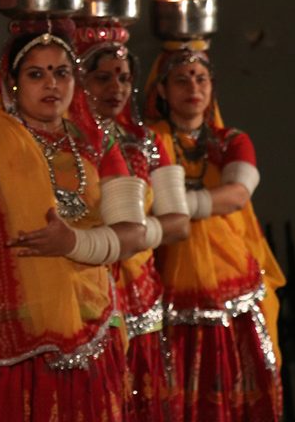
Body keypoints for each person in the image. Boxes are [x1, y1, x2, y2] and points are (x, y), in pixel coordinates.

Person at [0, 23, 148, 422]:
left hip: (93, 323)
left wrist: (72, 244)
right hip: (9, 328)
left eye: (61, 72)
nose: (51, 83)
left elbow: (133, 233)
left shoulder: (97, 142)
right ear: (12, 83)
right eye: (36, 74)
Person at [142, 44, 285, 421]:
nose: (193, 86)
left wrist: (173, 207)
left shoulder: (231, 141)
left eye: (201, 78)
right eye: (181, 78)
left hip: (232, 290)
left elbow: (237, 195)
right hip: (168, 292)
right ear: (161, 90)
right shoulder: (148, 142)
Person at [76, 24, 190, 421]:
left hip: (139, 298)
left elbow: (179, 224)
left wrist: (134, 235)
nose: (117, 88)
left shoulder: (147, 141)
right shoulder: (65, 141)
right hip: (81, 298)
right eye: (103, 77)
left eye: (124, 78)